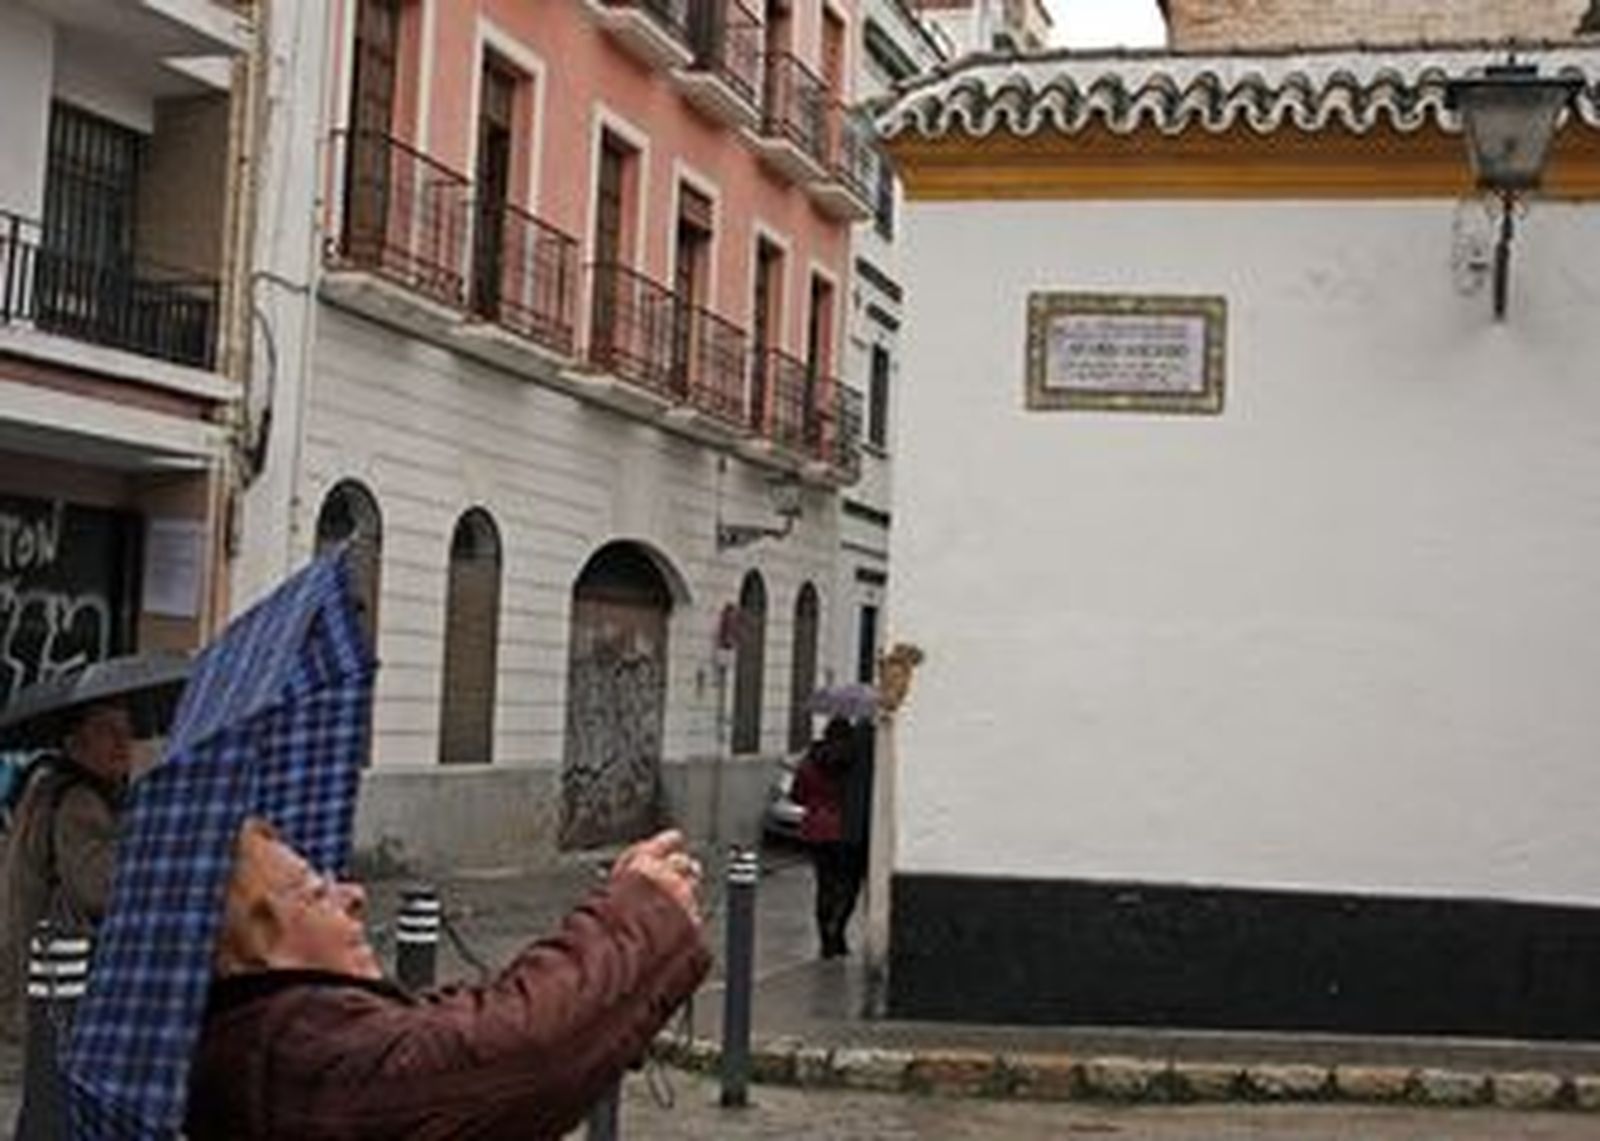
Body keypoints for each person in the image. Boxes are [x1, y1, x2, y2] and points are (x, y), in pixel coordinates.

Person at [185, 818, 711, 1140]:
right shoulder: (295, 1053)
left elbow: (459, 1023)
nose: (352, 895)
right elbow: (521, 1052)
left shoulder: (284, 1034)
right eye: (313, 889)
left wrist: (624, 990)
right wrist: (641, 912)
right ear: (259, 939)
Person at [0, 701, 136, 1136]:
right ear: (75, 742)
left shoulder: (49, 787)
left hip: (40, 969)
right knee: (57, 1088)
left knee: (44, 1087)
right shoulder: (80, 800)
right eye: (107, 731)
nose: (122, 743)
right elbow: (98, 888)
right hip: (64, 972)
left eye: (126, 732)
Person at [792, 715, 857, 958]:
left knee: (824, 885)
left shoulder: (811, 760)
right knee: (848, 884)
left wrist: (815, 802)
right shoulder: (854, 760)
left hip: (817, 830)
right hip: (846, 829)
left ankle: (825, 940)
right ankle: (838, 931)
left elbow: (797, 795)